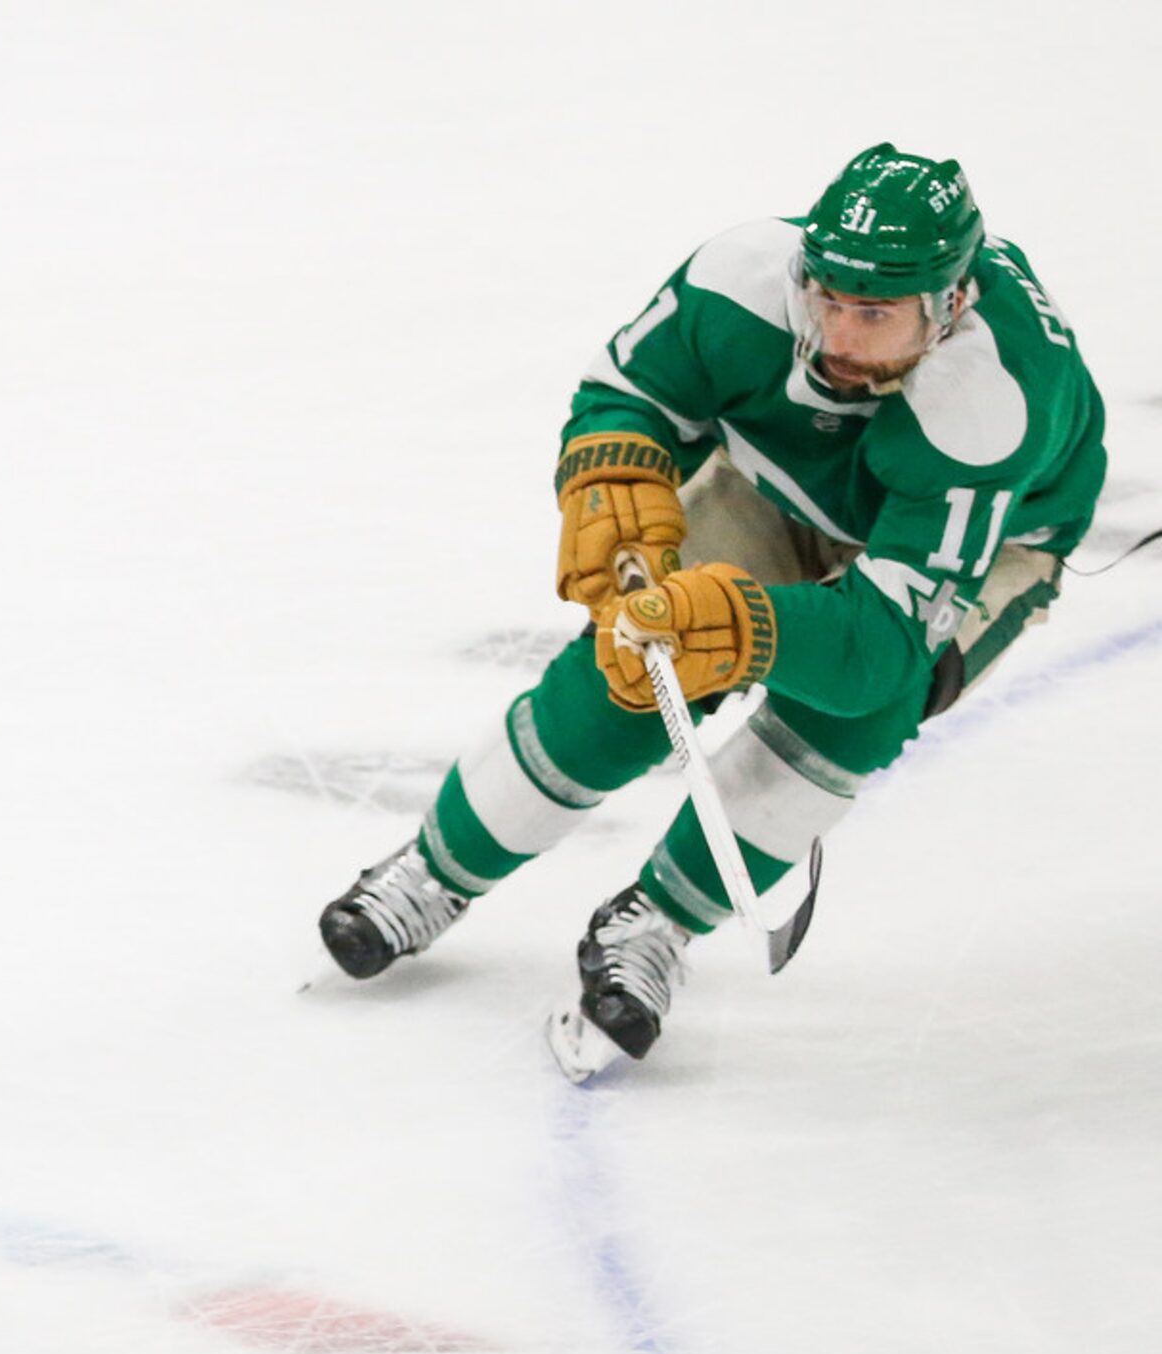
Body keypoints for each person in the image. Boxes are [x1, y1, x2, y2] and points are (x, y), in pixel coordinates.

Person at [317, 144, 1106, 1079]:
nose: (841, 337)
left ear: (950, 307)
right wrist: (613, 470)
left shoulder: (990, 404)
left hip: (994, 535)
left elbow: (882, 650)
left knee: (857, 712)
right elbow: (628, 395)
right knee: (630, 668)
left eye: (876, 314)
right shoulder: (740, 279)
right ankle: (435, 871)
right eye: (827, 299)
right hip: (780, 485)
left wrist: (744, 628)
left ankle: (659, 922)